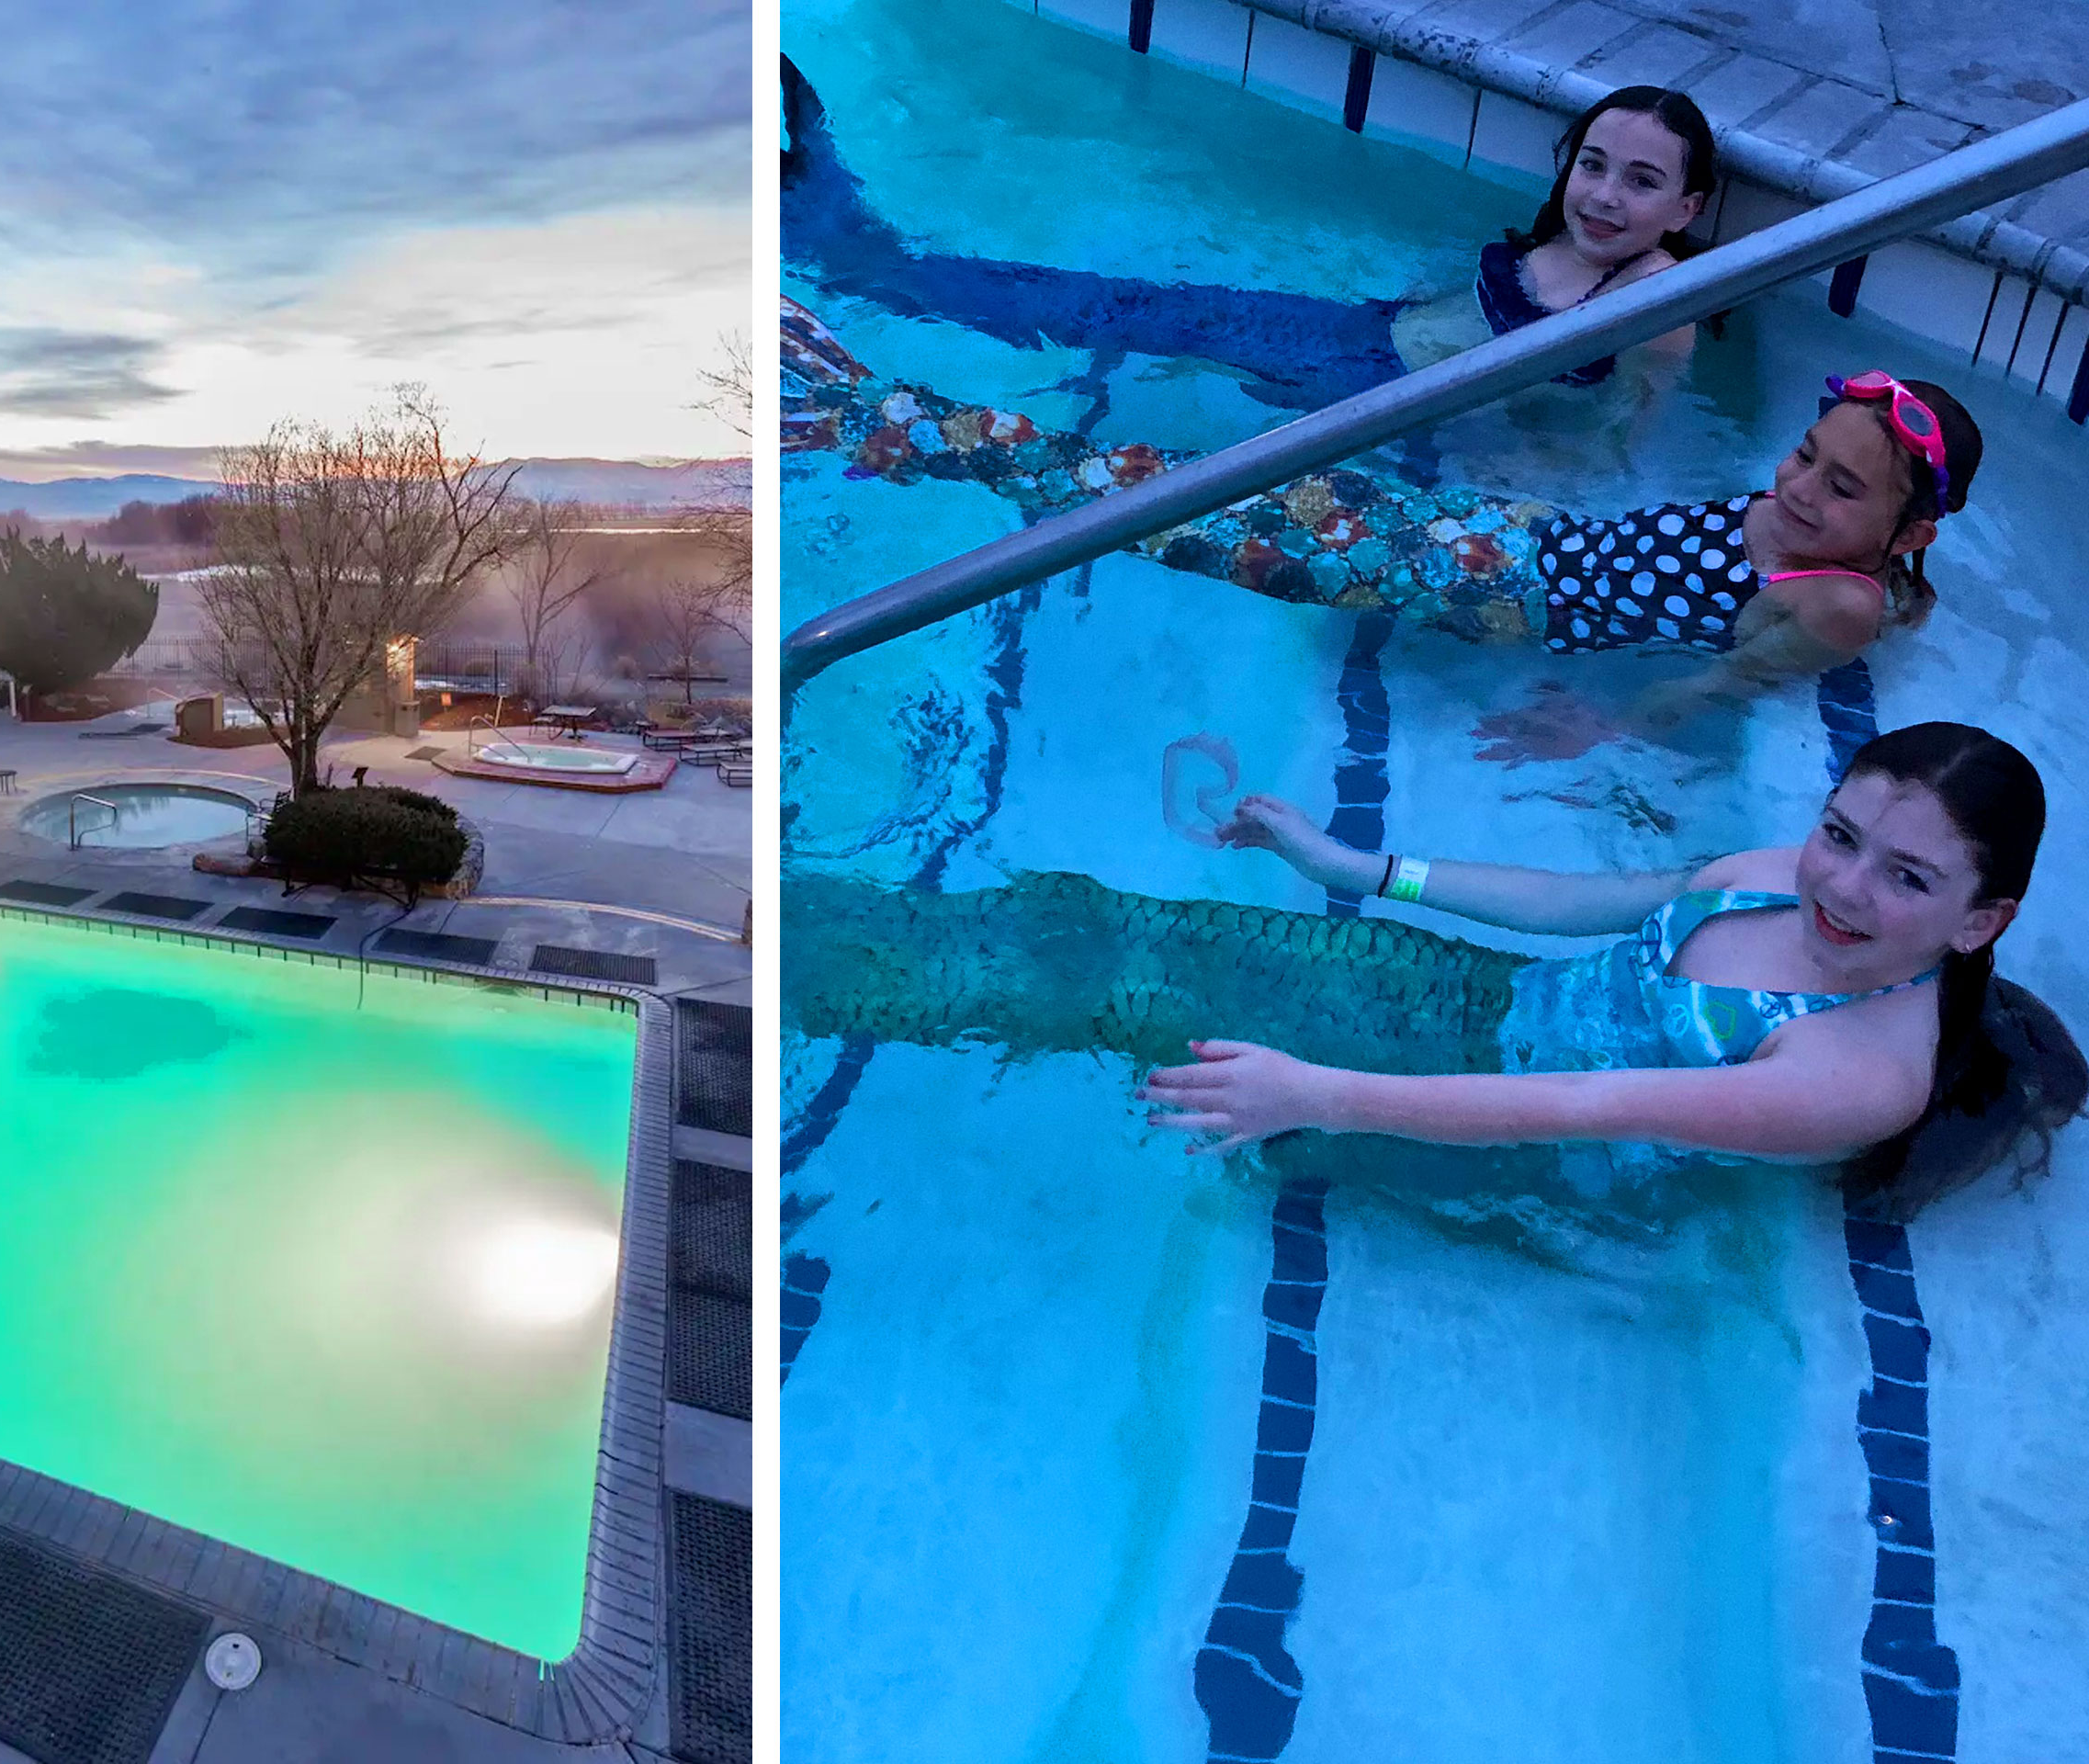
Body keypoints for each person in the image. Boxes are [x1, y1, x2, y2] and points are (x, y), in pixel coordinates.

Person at [786, 723, 2081, 1219]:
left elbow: (1585, 1110)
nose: (1842, 886)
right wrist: (1363, 870)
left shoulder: (1854, 1074)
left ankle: (817, 977)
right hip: (1477, 1002)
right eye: (1842, 835)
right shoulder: (1766, 863)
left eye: (1907, 877)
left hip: (1515, 1149)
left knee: (1140, 1013)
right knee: (1119, 933)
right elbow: (1587, 904)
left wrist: (1319, 1092)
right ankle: (811, 934)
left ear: (1983, 920)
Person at [786, 298, 1982, 732]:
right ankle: (895, 424)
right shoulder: (1833, 548)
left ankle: (891, 425)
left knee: (1157, 509)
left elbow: (1717, 685)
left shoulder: (1833, 604)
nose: (1798, 486)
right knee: (1167, 482)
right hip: (1497, 538)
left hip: (1469, 582)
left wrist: (1596, 727)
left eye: (1840, 487)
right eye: (1807, 455)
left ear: (1910, 532)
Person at [782, 60, 1715, 409]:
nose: (1605, 196)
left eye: (1643, 182)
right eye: (1593, 164)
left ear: (1685, 209)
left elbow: (1618, 439)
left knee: (1105, 318)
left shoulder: (1649, 296)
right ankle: (852, 240)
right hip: (1345, 336)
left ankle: (842, 242)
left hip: (1375, 384)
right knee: (1109, 309)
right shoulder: (1563, 251)